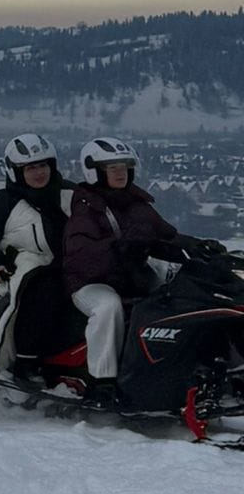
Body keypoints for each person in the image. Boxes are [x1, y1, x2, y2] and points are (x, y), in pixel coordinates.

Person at [61, 135, 210, 409]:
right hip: (90, 282)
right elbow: (82, 254)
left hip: (132, 278)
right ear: (95, 172)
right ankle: (102, 382)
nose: (120, 173)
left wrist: (197, 247)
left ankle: (171, 371)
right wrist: (118, 249)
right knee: (108, 308)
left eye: (124, 167)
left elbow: (165, 236)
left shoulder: (137, 204)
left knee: (177, 304)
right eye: (112, 168)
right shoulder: (87, 208)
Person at [0, 134, 74, 376]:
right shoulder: (3, 202)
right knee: (45, 290)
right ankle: (26, 359)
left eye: (43, 165)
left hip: (75, 266)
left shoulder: (71, 194)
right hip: (22, 272)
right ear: (16, 172)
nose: (39, 173)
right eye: (30, 168)